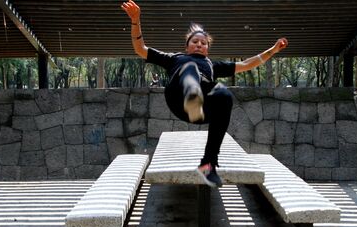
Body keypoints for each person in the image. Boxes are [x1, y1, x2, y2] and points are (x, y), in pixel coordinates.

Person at [121, 0, 287, 187]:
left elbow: (248, 63)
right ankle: (192, 93)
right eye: (195, 42)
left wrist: (273, 50)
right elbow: (140, 49)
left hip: (201, 111)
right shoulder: (175, 58)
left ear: (208, 49)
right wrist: (136, 20)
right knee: (190, 67)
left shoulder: (212, 65)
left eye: (203, 43)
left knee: (224, 94)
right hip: (178, 100)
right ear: (187, 46)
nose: (199, 45)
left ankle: (208, 164)